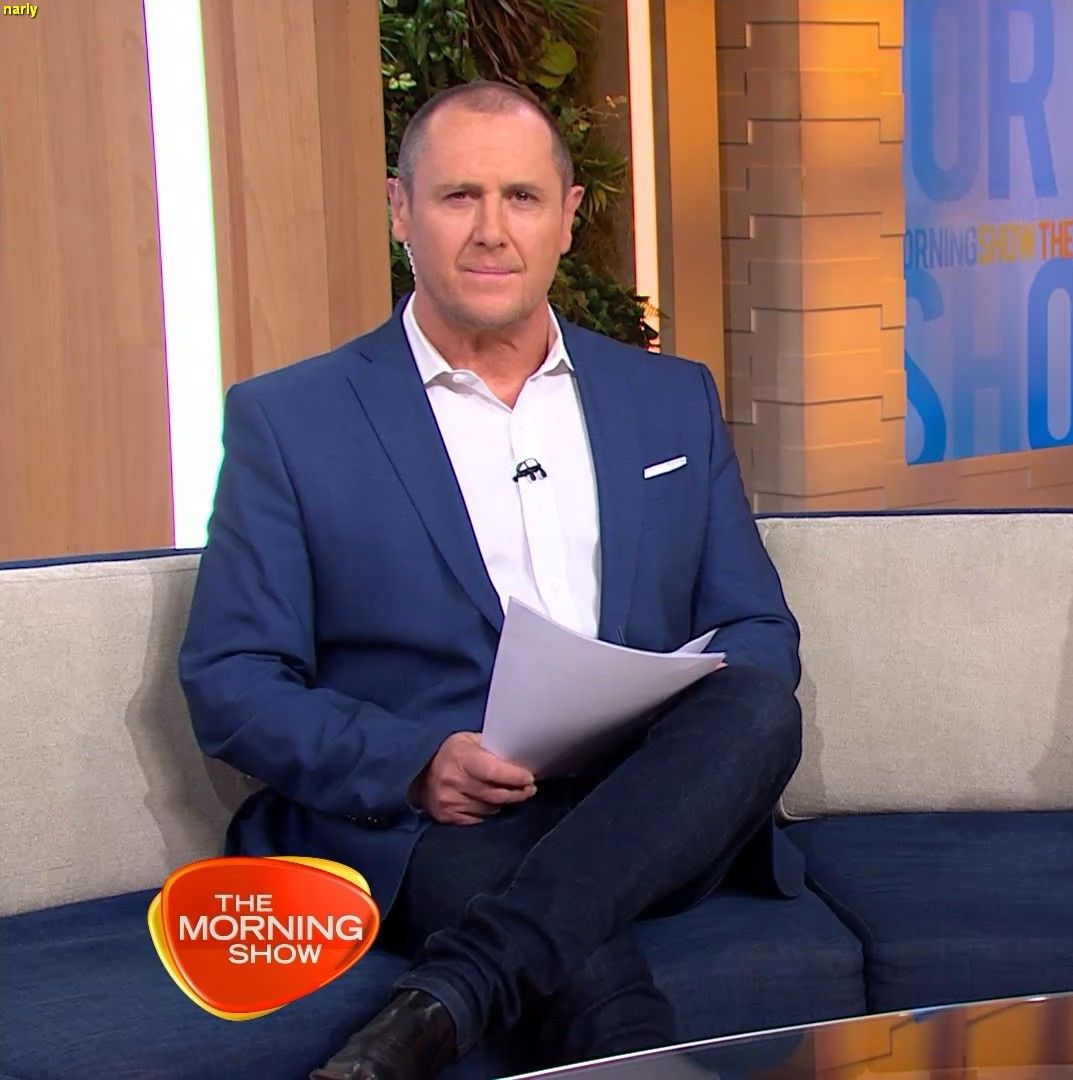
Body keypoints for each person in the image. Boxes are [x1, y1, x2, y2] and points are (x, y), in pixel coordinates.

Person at [178, 80, 805, 1080]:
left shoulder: (668, 398)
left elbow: (758, 628)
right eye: (458, 196)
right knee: (551, 923)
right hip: (447, 822)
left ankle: (451, 995)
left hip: (647, 797)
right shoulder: (292, 421)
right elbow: (233, 678)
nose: (491, 231)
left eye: (521, 197)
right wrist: (416, 763)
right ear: (401, 211)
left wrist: (656, 710)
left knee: (762, 708)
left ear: (567, 216)